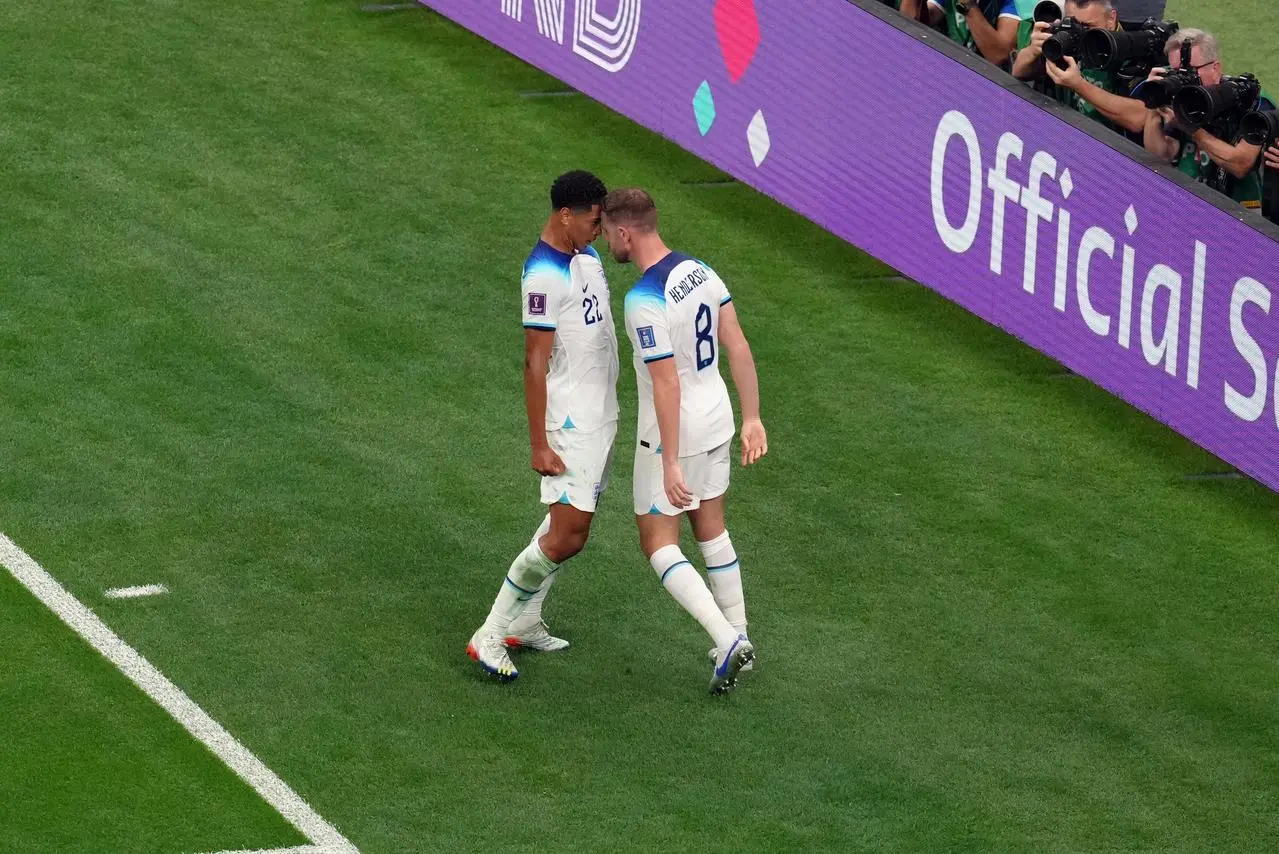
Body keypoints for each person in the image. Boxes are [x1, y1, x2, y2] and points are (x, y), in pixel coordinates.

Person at [600, 188, 768, 696]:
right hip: (717, 416)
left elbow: (666, 382)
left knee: (658, 542)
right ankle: (739, 637)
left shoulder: (642, 301)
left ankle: (725, 639)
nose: (607, 241)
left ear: (625, 232)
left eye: (608, 233)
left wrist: (670, 460)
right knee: (711, 529)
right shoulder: (701, 270)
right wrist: (753, 417)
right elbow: (736, 342)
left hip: (674, 432)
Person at [466, 171, 618, 681]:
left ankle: (525, 621)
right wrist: (539, 443)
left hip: (603, 417)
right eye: (594, 219)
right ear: (565, 215)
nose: (600, 229)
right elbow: (535, 362)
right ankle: (490, 632)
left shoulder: (588, 257)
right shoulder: (543, 276)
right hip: (571, 421)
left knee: (566, 526)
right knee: (570, 535)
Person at [1141, 29, 1272, 212]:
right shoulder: (1181, 99)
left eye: (1191, 71)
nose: (1182, 80)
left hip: (1238, 216)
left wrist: (1190, 127)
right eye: (1176, 72)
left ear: (1215, 68)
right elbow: (1162, 153)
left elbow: (1240, 164)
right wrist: (1152, 106)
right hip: (1186, 205)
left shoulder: (1250, 101)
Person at [1011, 0, 1149, 134]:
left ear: (1111, 19)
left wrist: (1079, 85)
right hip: (1065, 134)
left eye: (1087, 27)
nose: (1079, 34)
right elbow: (1019, 73)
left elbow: (1139, 119)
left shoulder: (1135, 47)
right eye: (1073, 25)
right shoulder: (1066, 40)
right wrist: (1033, 50)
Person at [901, 0, 1021, 66]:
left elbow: (998, 55)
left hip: (990, 86)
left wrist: (967, 4)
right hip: (947, 68)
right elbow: (911, 23)